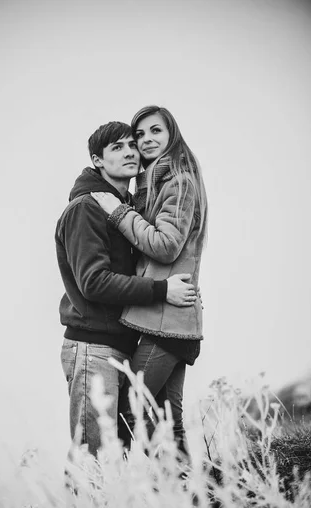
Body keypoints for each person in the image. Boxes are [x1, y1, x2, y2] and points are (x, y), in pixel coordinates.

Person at [55, 121, 198, 457]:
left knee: (116, 449)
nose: (130, 151)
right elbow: (94, 282)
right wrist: (162, 291)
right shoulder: (87, 208)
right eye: (117, 148)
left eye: (131, 145)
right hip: (92, 346)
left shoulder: (125, 206)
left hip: (120, 342)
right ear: (98, 160)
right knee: (95, 453)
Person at [91, 106, 208, 461]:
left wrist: (119, 212)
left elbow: (165, 245)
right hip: (171, 319)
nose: (146, 141)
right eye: (140, 135)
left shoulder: (180, 182)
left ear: (172, 134)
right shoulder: (156, 183)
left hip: (167, 324)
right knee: (168, 423)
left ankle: (114, 496)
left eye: (156, 131)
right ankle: (197, 501)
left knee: (128, 413)